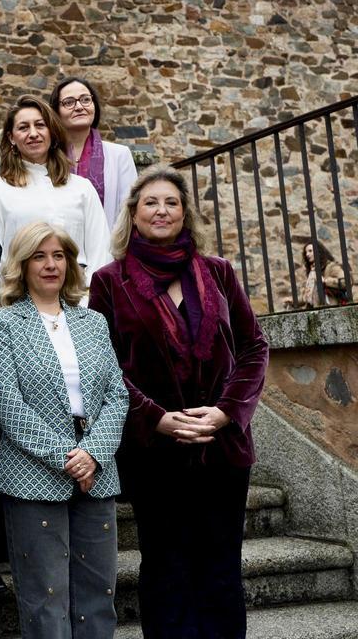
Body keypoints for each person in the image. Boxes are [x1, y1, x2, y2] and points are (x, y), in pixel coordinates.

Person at [88, 165, 269, 639]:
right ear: (133, 214)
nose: (162, 210)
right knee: (166, 567)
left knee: (221, 566)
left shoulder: (219, 272)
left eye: (171, 202)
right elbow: (103, 366)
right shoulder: (109, 281)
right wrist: (157, 420)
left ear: (185, 212)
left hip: (222, 446)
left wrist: (226, 411)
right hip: (154, 450)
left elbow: (254, 348)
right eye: (151, 202)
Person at [0, 221, 128, 639]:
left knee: (99, 595)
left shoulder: (93, 322)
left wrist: (93, 454)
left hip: (97, 473)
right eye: (39, 256)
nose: (50, 265)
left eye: (59, 256)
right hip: (33, 474)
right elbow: (6, 401)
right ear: (22, 265)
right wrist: (68, 456)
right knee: (44, 599)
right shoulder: (3, 322)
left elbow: (117, 396)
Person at [0, 96, 112, 280]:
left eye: (40, 125)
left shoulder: (81, 188)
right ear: (11, 138)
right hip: (18, 296)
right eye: (23, 127)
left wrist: (87, 298)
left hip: (79, 296)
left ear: (52, 132)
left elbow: (101, 248)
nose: (33, 133)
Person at [49, 76, 138, 230]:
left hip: (107, 249)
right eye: (69, 102)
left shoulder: (119, 155)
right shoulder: (48, 156)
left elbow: (129, 210)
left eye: (85, 99)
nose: (79, 107)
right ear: (56, 112)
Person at [290, 240, 351, 307]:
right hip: (313, 311)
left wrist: (325, 281)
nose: (307, 254)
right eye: (306, 252)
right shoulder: (311, 272)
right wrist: (293, 301)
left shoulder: (331, 267)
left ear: (319, 252)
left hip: (329, 308)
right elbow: (307, 297)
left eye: (310, 251)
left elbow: (347, 282)